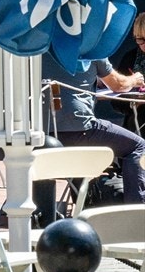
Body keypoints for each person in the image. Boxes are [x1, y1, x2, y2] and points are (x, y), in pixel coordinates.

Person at [38, 49, 145, 207]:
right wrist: (135, 79)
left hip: (39, 134)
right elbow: (119, 85)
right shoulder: (91, 48)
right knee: (138, 146)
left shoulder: (35, 48)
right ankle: (136, 212)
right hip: (80, 130)